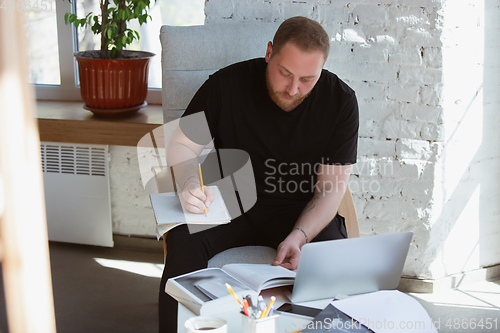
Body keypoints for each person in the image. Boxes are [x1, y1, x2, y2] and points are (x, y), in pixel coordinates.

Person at [159, 16, 359, 332]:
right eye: (285, 73)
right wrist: (188, 182)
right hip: (229, 201)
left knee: (334, 260)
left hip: (298, 209)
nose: (294, 89)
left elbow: (330, 189)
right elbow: (182, 144)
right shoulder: (226, 85)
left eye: (308, 78)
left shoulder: (341, 101)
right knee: (184, 241)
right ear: (269, 53)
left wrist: (299, 236)